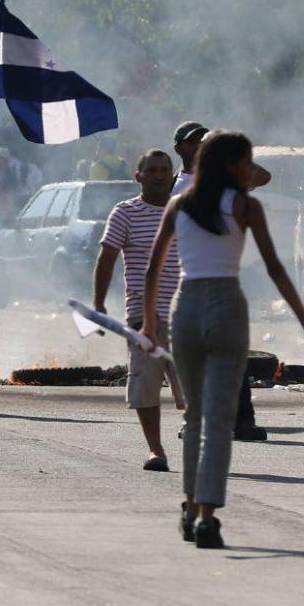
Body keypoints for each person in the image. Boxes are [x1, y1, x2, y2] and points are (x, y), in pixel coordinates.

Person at [145, 130, 304, 549]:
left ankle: (191, 506)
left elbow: (154, 268)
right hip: (227, 304)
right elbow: (275, 267)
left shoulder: (179, 204)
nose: (250, 169)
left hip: (186, 305)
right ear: (229, 164)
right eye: (245, 161)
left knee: (194, 417)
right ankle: (207, 517)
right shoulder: (244, 205)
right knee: (220, 420)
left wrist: (150, 325)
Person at [172, 120, 272, 442]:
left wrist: (231, 156)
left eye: (204, 141)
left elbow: (264, 177)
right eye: (193, 142)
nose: (198, 145)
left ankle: (242, 420)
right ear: (179, 148)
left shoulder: (229, 185)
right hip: (187, 278)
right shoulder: (175, 188)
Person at [93, 149, 185, 472]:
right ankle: (156, 450)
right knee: (146, 384)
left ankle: (196, 434)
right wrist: (99, 303)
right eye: (152, 170)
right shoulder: (125, 213)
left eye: (164, 170)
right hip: (143, 316)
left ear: (172, 176)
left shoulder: (187, 211)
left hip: (186, 311)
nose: (158, 175)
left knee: (194, 386)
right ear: (139, 176)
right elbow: (107, 257)